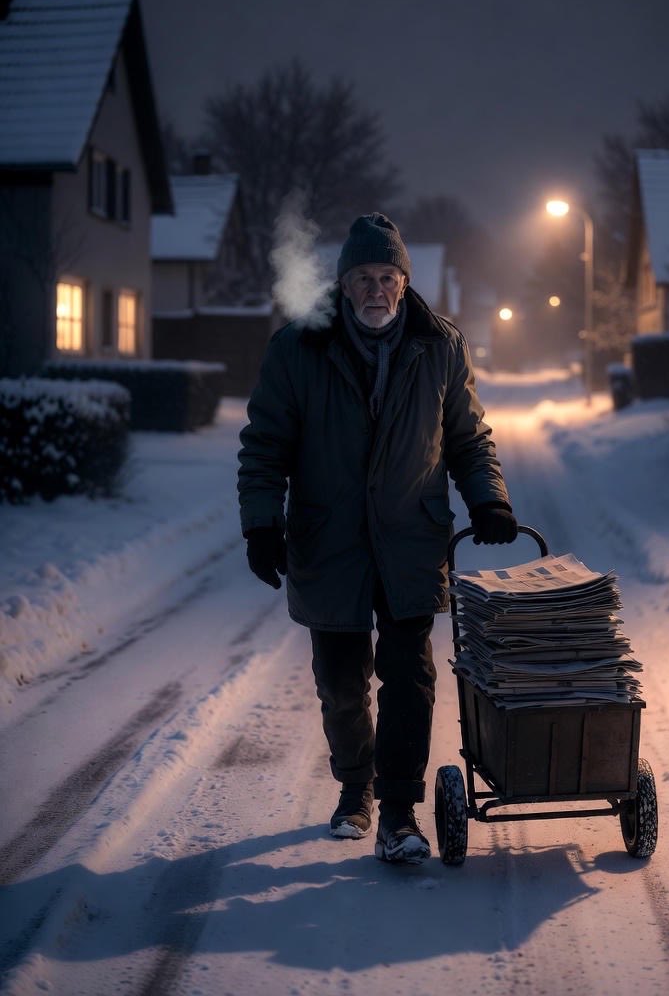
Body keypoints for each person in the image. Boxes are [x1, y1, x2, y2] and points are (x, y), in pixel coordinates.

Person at [238, 213, 517, 864]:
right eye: (362, 277)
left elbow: (469, 439)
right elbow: (265, 445)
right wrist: (260, 523)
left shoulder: (440, 345)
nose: (376, 289)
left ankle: (397, 812)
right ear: (342, 285)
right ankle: (354, 788)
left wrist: (489, 500)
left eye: (387, 276)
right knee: (341, 683)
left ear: (404, 282)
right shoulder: (297, 349)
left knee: (408, 678)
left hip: (409, 542)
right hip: (327, 539)